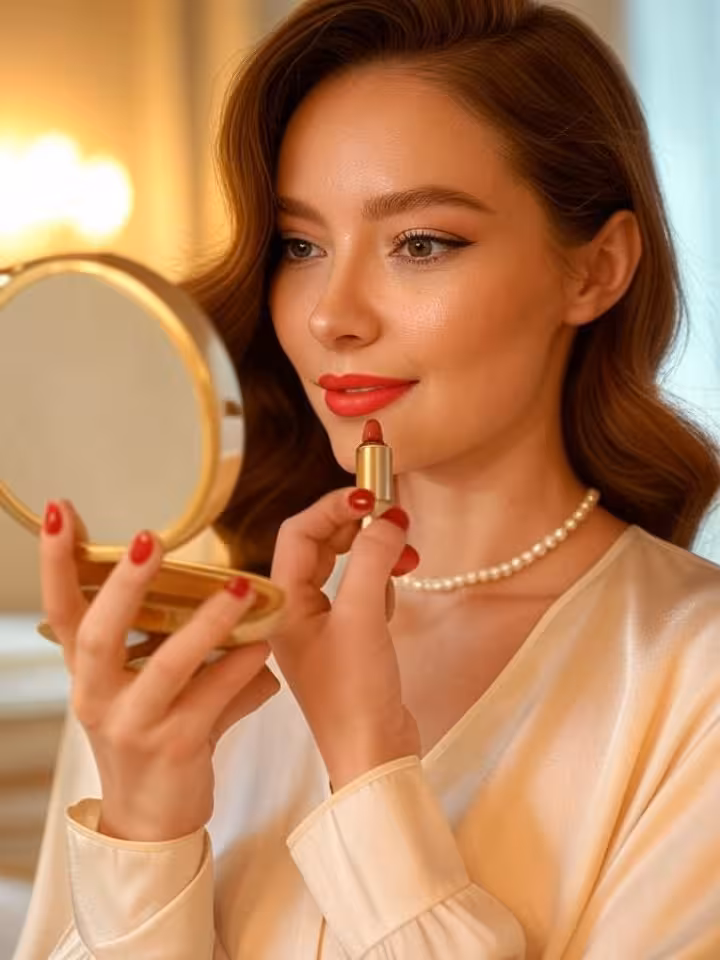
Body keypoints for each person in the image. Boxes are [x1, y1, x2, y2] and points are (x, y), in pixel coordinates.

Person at [13, 0, 720, 957]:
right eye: (301, 246)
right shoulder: (180, 669)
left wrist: (367, 765)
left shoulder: (693, 677)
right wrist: (144, 830)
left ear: (595, 269)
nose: (330, 315)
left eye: (420, 243)